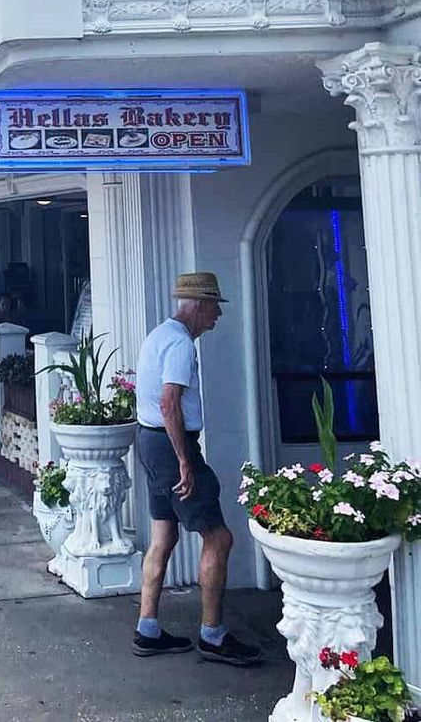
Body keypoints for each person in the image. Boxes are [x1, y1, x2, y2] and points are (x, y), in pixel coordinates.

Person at [133, 271, 260, 666]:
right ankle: (212, 635)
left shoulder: (159, 335)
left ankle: (148, 629)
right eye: (214, 309)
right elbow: (170, 402)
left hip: (150, 441)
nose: (217, 318)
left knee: (163, 535)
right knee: (219, 538)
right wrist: (186, 460)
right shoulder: (181, 345)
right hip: (172, 446)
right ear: (200, 305)